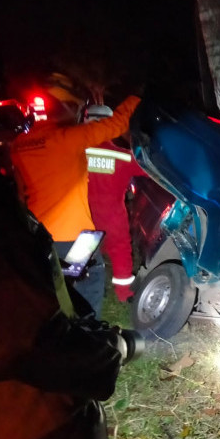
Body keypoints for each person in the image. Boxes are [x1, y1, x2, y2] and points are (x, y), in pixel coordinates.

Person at [0, 52, 127, 439]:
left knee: (67, 294)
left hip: (45, 236)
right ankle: (92, 344)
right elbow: (113, 178)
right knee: (82, 294)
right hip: (74, 238)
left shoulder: (22, 146)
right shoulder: (77, 141)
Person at [9, 74, 141, 318]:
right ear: (67, 108)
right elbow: (118, 125)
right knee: (91, 278)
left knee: (52, 285)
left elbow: (19, 191)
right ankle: (88, 336)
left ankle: (59, 325)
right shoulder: (69, 139)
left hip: (38, 232)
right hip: (75, 235)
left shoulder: (19, 144)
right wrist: (137, 95)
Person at [84, 104, 149, 302]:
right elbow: (148, 168)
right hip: (113, 216)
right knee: (120, 249)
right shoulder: (122, 156)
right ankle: (123, 293)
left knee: (82, 251)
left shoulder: (75, 153)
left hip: (83, 213)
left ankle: (79, 288)